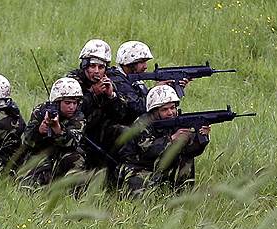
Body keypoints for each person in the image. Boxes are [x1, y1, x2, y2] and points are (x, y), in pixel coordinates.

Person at [116, 85, 210, 195]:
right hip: (138, 166)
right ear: (154, 112)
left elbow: (190, 150)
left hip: (160, 165)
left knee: (186, 157)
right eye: (164, 109)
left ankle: (183, 193)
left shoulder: (176, 120)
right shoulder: (142, 123)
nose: (170, 112)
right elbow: (148, 150)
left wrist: (200, 138)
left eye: (172, 107)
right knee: (140, 197)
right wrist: (172, 139)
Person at [65, 39, 130, 170]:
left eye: (101, 67)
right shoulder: (72, 82)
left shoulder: (108, 81)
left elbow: (122, 114)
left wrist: (112, 96)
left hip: (100, 130)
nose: (96, 71)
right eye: (92, 66)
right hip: (76, 131)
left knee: (126, 133)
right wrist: (92, 94)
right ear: (84, 66)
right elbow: (71, 111)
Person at [16, 77, 86, 188]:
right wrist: (39, 131)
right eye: (67, 103)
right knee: (27, 184)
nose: (72, 107)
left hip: (64, 155)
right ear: (57, 102)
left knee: (77, 159)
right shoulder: (40, 111)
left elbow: (73, 142)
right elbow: (26, 140)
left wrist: (58, 129)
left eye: (75, 103)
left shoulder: (78, 116)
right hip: (42, 153)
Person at [109, 41, 190, 123]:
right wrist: (155, 91)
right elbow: (138, 107)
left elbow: (158, 108)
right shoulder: (117, 80)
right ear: (129, 62)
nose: (145, 66)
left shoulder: (134, 80)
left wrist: (169, 90)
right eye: (142, 62)